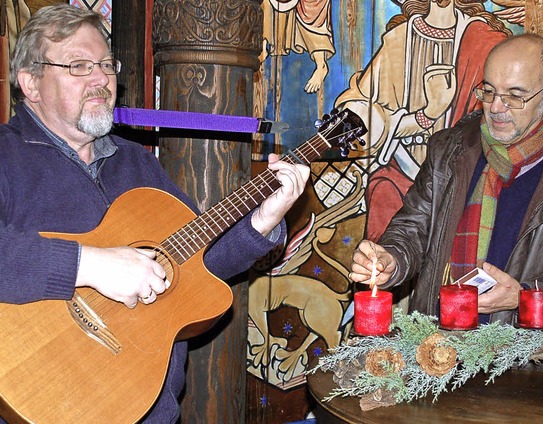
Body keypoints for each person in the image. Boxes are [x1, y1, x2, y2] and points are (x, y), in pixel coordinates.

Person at [0, 4, 310, 423]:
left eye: (107, 65)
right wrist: (88, 265)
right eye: (78, 66)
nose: (101, 79)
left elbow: (195, 267)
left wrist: (262, 222)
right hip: (41, 398)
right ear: (30, 84)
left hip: (146, 407)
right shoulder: (5, 155)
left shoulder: (138, 165)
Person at [349, 33, 543, 335]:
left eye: (514, 95)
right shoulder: (450, 151)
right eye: (489, 91)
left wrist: (523, 298)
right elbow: (412, 229)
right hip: (433, 351)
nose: (496, 107)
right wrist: (392, 259)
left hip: (525, 366)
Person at [334, 0, 510, 242]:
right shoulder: (398, 40)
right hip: (404, 171)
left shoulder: (485, 42)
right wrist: (426, 114)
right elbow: (361, 107)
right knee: (383, 194)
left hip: (465, 176)